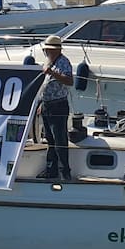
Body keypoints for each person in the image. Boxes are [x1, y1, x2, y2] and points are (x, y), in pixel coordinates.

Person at [37, 34, 73, 181]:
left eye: (49, 50)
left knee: (60, 140)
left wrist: (52, 73)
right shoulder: (49, 61)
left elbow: (69, 81)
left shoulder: (63, 62)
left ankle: (65, 171)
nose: (47, 53)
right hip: (47, 105)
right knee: (50, 139)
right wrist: (41, 102)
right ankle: (51, 169)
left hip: (58, 105)